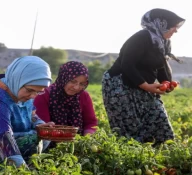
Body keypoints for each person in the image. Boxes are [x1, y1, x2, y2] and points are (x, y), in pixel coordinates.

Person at [102, 8, 185, 144]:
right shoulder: (141, 38)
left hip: (144, 85)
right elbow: (127, 64)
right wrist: (146, 86)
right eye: (173, 26)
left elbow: (161, 65)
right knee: (131, 130)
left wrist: (167, 83)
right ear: (161, 24)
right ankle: (132, 161)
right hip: (120, 85)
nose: (175, 30)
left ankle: (160, 158)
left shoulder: (163, 42)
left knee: (160, 123)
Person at [34, 61, 98, 135]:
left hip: (76, 141)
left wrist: (87, 137)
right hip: (49, 141)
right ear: (63, 78)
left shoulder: (83, 96)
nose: (76, 87)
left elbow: (91, 123)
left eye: (82, 84)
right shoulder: (44, 95)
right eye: (73, 81)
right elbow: (43, 126)